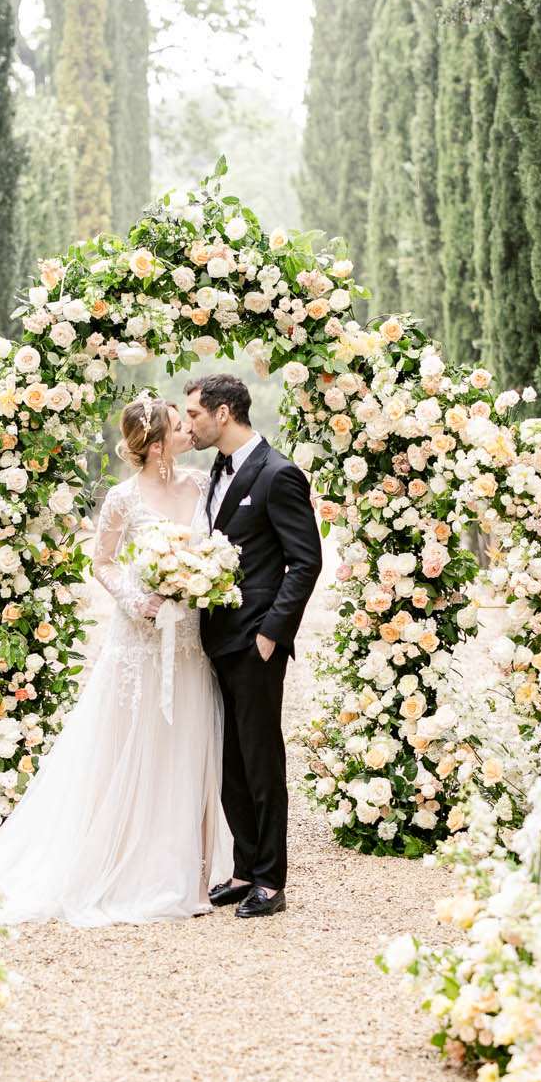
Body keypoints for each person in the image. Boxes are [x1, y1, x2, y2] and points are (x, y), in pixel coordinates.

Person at [0, 396, 232, 926]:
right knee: (129, 750)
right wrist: (136, 598)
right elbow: (101, 562)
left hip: (191, 640)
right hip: (140, 642)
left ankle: (195, 873)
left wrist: (204, 577)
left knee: (191, 746)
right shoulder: (124, 499)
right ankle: (126, 859)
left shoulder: (200, 485)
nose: (187, 432)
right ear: (154, 445)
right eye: (178, 427)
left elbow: (217, 546)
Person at [182, 374, 323, 918]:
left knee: (261, 760)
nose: (188, 424)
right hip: (216, 639)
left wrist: (271, 634)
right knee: (231, 761)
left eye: (193, 414)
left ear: (222, 413)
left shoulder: (278, 474)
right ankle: (243, 869)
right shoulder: (217, 471)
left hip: (255, 641)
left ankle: (271, 879)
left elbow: (304, 562)